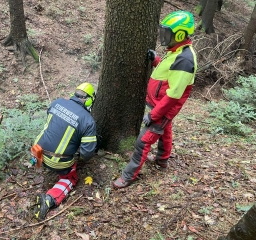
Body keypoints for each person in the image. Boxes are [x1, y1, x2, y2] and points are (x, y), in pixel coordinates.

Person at [113, 10, 197, 188]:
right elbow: (168, 73)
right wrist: (156, 61)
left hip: (165, 108)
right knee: (165, 131)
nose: (163, 36)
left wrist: (154, 115)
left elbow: (174, 95)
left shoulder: (185, 60)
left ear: (180, 34)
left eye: (167, 33)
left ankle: (128, 176)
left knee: (143, 141)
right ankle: (162, 159)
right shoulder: (176, 51)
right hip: (161, 106)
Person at [30, 82, 98, 219]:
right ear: (89, 100)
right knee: (71, 178)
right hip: (57, 161)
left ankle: (35, 163)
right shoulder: (88, 121)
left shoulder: (57, 102)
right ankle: (50, 199)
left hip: (37, 151)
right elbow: (86, 154)